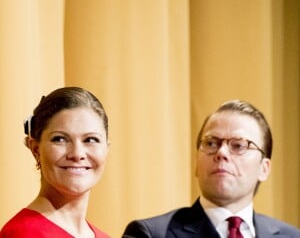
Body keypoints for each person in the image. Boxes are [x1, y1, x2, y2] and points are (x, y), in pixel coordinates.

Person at [122, 100, 300, 237]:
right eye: (211, 143)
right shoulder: (150, 234)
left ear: (264, 168)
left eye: (238, 145)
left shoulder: (291, 236)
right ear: (196, 163)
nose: (221, 152)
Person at [0, 87, 111, 238]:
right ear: (35, 149)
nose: (77, 154)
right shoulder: (22, 233)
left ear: (106, 148)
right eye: (60, 139)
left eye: (91, 140)